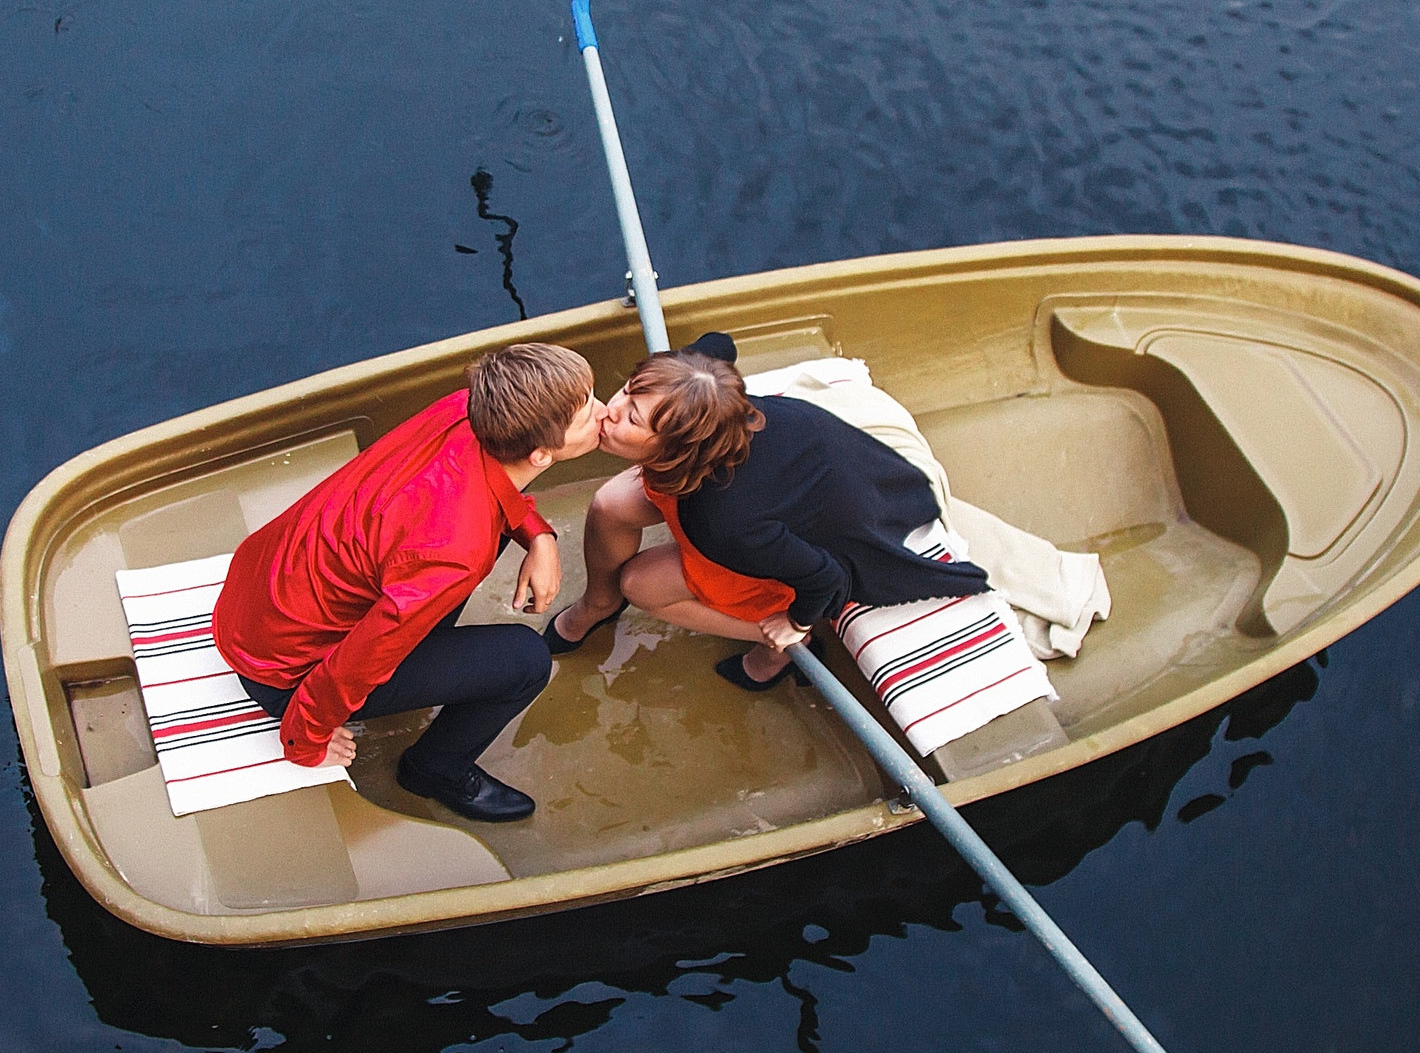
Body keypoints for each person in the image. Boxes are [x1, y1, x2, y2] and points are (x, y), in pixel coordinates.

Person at [212, 342, 601, 821]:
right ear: (542, 455)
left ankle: (425, 656)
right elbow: (359, 660)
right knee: (525, 660)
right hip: (284, 671)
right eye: (588, 414)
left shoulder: (466, 409)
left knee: (490, 529)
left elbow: (496, 491)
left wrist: (538, 535)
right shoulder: (453, 551)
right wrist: (304, 736)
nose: (604, 414)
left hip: (254, 598)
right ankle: (433, 769)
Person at [543, 335, 988, 688]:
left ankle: (777, 653)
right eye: (626, 392)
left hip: (813, 541)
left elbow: (826, 577)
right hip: (810, 478)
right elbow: (718, 344)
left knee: (640, 585)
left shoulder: (720, 524)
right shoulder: (700, 387)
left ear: (678, 450)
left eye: (632, 418)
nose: (608, 411)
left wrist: (792, 623)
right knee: (610, 505)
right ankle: (599, 604)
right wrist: (679, 370)